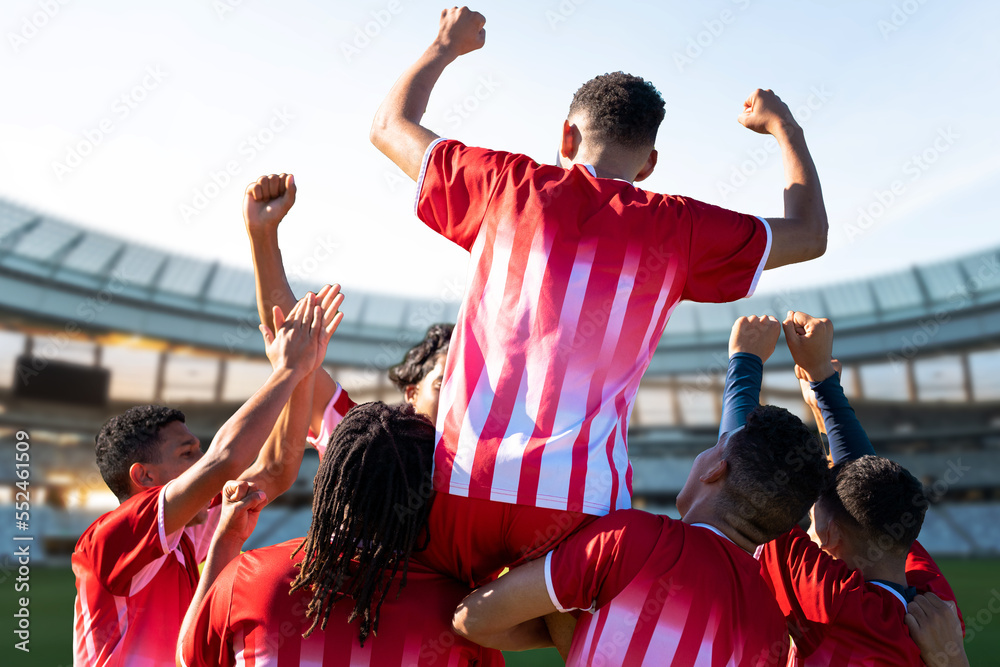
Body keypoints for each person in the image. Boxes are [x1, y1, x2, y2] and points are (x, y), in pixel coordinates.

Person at [369, 7, 829, 588]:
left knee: (444, 624)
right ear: (650, 164)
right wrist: (785, 126)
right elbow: (810, 234)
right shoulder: (680, 228)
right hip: (580, 504)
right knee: (568, 638)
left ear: (566, 135)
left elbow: (389, 125)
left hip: (460, 479)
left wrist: (445, 45)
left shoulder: (505, 185)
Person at [450, 316, 830, 665]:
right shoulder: (775, 632)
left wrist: (582, 636)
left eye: (714, 447)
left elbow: (474, 618)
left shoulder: (634, 540)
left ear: (716, 470)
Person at [72, 289, 342, 667]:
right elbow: (225, 461)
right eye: (187, 454)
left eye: (199, 452)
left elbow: (278, 469)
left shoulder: (182, 536)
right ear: (144, 476)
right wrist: (286, 371)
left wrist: (305, 374)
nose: (201, 463)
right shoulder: (109, 540)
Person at [179, 402, 502, 667]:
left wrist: (228, 541)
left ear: (329, 481)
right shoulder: (464, 612)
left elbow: (189, 661)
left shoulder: (251, 579)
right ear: (427, 494)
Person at [722, 310, 962, 665]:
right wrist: (822, 383)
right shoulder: (936, 605)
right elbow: (864, 484)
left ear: (832, 534)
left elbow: (746, 483)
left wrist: (745, 362)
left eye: (813, 517)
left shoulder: (833, 601)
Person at [242, 172, 454, 456]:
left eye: (469, 389)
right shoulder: (364, 440)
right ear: (413, 394)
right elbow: (294, 349)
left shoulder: (497, 472)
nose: (458, 398)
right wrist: (263, 235)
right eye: (444, 385)